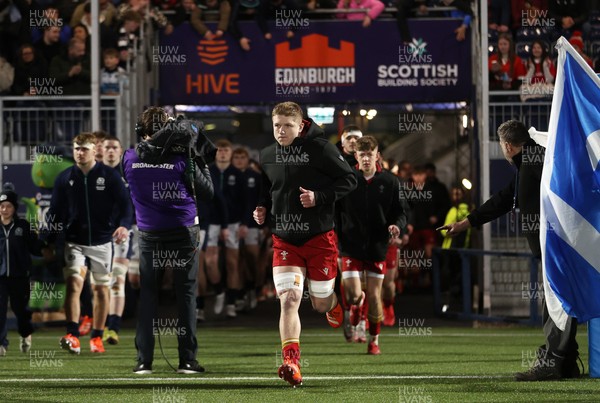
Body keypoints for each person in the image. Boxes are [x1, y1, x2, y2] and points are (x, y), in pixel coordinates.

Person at [439, 120, 581, 381]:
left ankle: (555, 361)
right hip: (557, 246)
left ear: (507, 146)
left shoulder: (534, 162)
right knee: (556, 303)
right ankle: (565, 362)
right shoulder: (531, 160)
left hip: (557, 246)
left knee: (556, 304)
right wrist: (465, 223)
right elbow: (504, 199)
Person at [253, 101, 357, 387]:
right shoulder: (266, 154)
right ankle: (291, 362)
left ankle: (336, 305)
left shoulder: (321, 149)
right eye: (277, 125)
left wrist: (319, 197)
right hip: (284, 239)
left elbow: (350, 180)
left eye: (288, 125)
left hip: (319, 237)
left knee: (320, 303)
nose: (282, 131)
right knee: (289, 300)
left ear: (301, 126)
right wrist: (261, 208)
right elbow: (268, 189)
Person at [122, 106, 214, 374]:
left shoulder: (129, 157)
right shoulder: (183, 158)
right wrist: (197, 157)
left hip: (150, 234)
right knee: (185, 294)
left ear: (142, 131)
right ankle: (187, 360)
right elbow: (208, 193)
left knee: (148, 295)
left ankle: (143, 361)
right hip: (183, 231)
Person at [47, 132, 132, 355]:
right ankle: (72, 334)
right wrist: (46, 239)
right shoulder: (64, 178)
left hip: (103, 242)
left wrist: (124, 225)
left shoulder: (110, 177)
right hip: (74, 241)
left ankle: (96, 336)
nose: (79, 152)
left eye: (84, 148)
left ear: (95, 150)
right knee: (74, 284)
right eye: (76, 148)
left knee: (101, 290)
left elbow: (126, 206)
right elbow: (54, 213)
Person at [337, 136, 406, 355]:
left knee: (376, 295)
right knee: (354, 294)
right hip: (350, 245)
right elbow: (334, 211)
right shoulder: (346, 180)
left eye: (370, 154)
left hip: (377, 246)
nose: (366, 158)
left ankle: (374, 340)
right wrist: (337, 234)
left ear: (377, 156)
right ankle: (357, 305)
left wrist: (397, 226)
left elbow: (401, 211)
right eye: (362, 154)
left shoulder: (390, 181)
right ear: (355, 156)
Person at [206, 139, 248, 318]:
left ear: (230, 153)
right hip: (212, 222)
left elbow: (246, 202)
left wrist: (244, 222)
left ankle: (231, 302)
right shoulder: (208, 171)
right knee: (210, 262)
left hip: (233, 223)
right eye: (220, 150)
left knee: (232, 263)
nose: (222, 153)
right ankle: (219, 291)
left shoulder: (238, 174)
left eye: (226, 150)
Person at [0, 189, 43, 356]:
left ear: (14, 208)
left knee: (22, 311)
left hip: (20, 276)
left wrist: (45, 248)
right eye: (2, 206)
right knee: (0, 310)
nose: (4, 209)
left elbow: (34, 246)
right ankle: (2, 343)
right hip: (1, 277)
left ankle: (25, 334)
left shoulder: (23, 226)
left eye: (8, 206)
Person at [101, 135, 130, 344]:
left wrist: (126, 226)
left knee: (118, 280)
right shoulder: (92, 174)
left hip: (122, 234)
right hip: (97, 236)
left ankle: (113, 328)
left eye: (115, 147)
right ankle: (98, 326)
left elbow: (131, 205)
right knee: (100, 283)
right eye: (107, 147)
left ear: (120, 151)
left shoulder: (129, 173)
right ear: (101, 150)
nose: (111, 151)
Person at [232, 147, 263, 311]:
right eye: (236, 157)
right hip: (232, 224)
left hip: (253, 224)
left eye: (242, 157)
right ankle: (241, 293)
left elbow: (262, 201)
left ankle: (254, 289)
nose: (239, 160)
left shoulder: (255, 177)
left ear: (247, 159)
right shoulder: (230, 176)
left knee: (252, 257)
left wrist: (264, 226)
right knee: (237, 261)